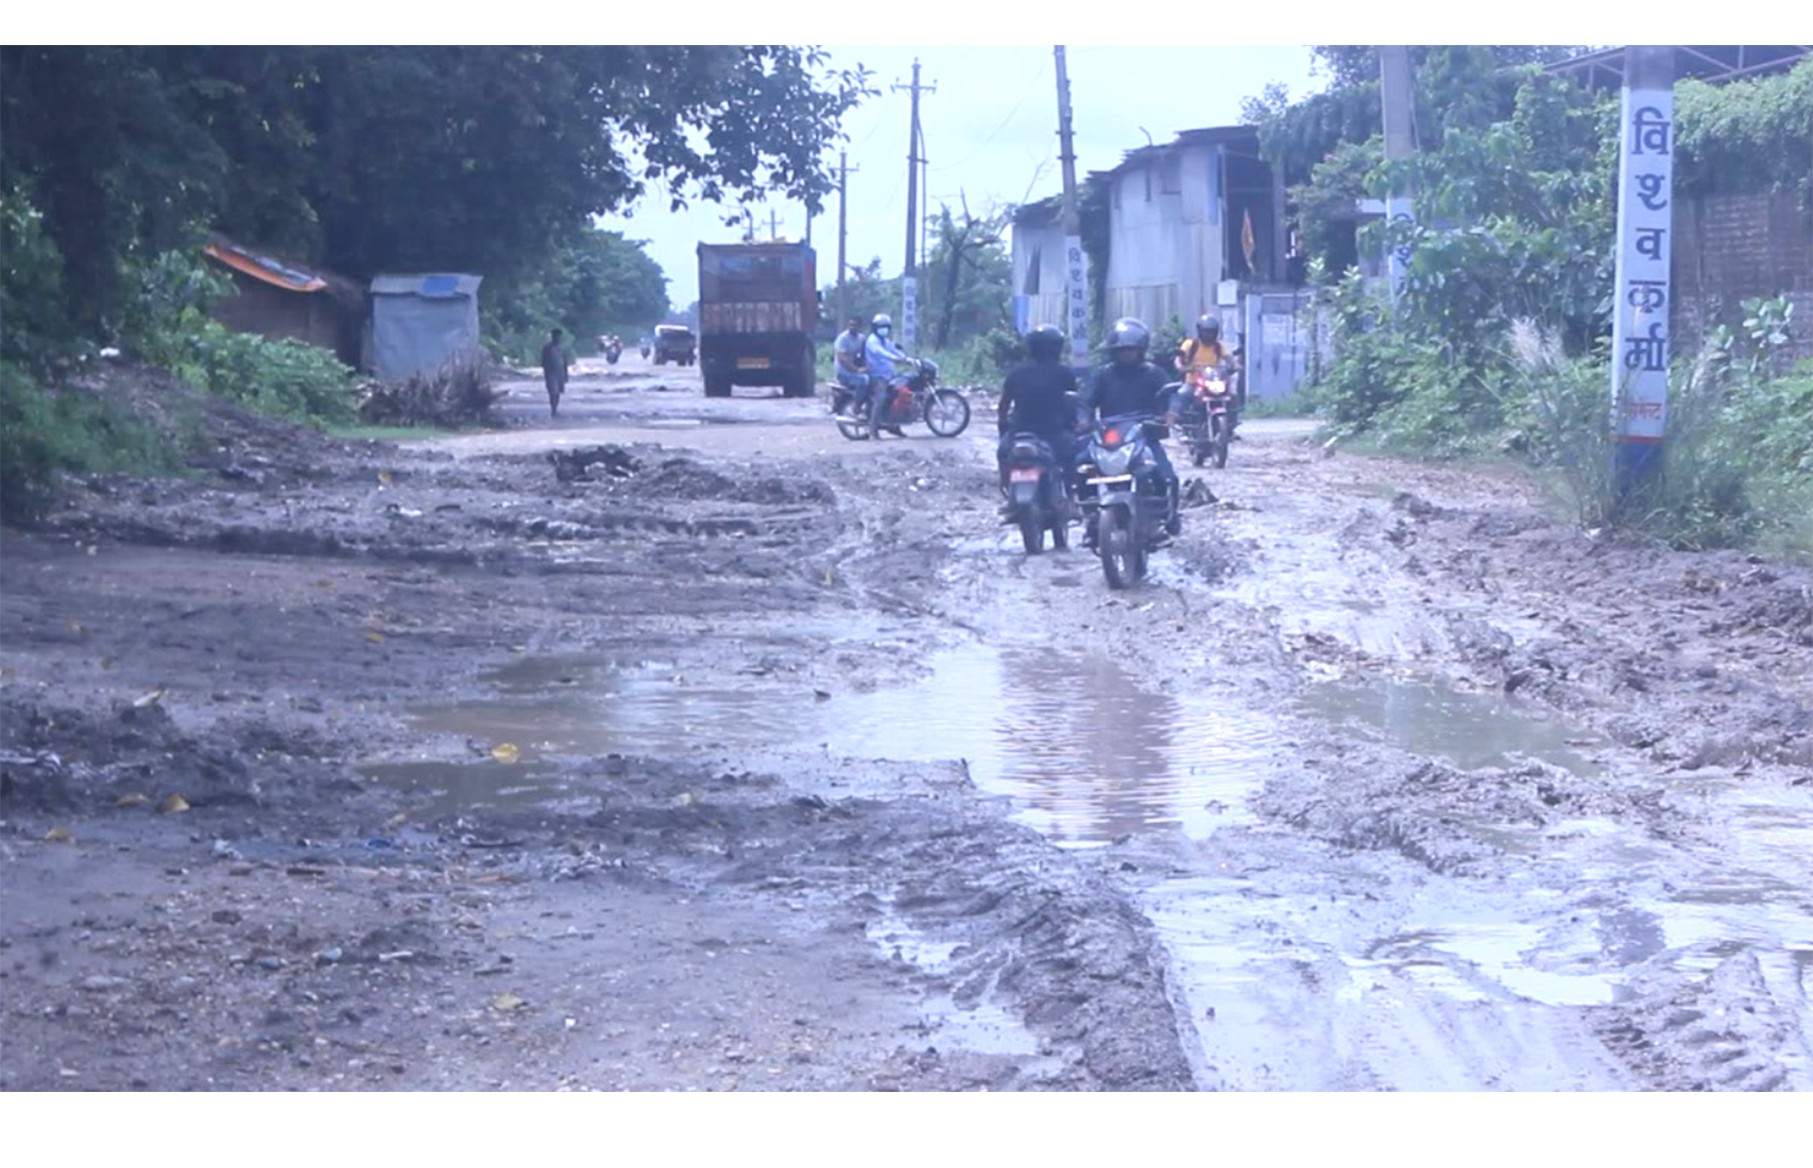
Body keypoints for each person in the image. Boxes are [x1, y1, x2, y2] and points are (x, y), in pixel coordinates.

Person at [1076, 316, 1182, 543]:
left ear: (1140, 350)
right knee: (1080, 468)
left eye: (1130, 350)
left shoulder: (1154, 373)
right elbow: (1086, 401)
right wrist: (1083, 420)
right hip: (1110, 438)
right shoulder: (1103, 375)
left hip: (1144, 436)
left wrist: (1171, 413)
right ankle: (1091, 519)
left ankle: (1165, 519)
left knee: (1167, 476)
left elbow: (1172, 395)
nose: (1126, 354)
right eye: (1122, 350)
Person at [996, 323, 1080, 515]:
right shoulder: (1064, 373)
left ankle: (1008, 494)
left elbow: (1004, 405)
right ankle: (1071, 499)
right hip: (1053, 433)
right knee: (1070, 457)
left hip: (1020, 433)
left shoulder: (1016, 372)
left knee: (1003, 454)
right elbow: (1073, 404)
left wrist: (1003, 426)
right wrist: (1073, 424)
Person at [1174, 314, 1241, 438]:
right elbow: (1179, 359)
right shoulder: (1191, 344)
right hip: (1194, 382)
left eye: (1211, 332)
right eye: (1205, 332)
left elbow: (1229, 358)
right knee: (1183, 394)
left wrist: (1235, 365)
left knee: (1232, 395)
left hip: (1214, 381)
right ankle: (1181, 426)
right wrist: (1183, 367)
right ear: (1200, 331)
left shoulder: (1218, 346)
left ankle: (1230, 426)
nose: (1208, 335)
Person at [863, 313, 910, 436]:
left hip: (889, 375)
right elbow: (882, 353)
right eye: (881, 327)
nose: (884, 329)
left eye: (886, 327)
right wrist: (895, 358)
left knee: (899, 394)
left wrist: (908, 359)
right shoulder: (872, 341)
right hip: (877, 376)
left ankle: (894, 424)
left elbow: (894, 350)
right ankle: (873, 429)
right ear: (875, 328)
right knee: (880, 399)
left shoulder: (886, 341)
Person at [833, 315, 871, 420]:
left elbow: (866, 354)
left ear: (860, 327)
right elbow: (842, 359)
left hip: (855, 370)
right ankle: (857, 406)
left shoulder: (861, 338)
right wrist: (857, 370)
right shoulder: (842, 339)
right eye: (850, 325)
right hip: (843, 372)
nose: (852, 327)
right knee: (864, 380)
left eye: (855, 325)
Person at [540, 328, 571, 417]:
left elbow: (565, 362)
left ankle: (555, 408)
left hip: (560, 373)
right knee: (553, 392)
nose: (558, 338)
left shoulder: (562, 348)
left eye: (559, 336)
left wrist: (566, 374)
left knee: (558, 393)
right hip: (551, 373)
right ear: (553, 337)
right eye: (556, 336)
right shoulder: (547, 348)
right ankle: (553, 409)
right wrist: (546, 373)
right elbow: (544, 362)